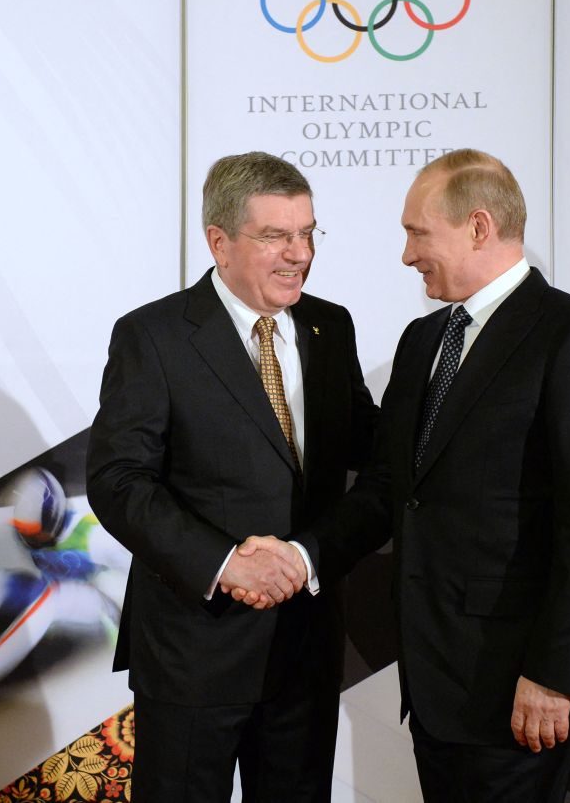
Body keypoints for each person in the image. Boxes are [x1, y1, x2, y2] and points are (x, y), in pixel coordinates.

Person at [236, 149, 570, 802]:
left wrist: (554, 674)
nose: (407, 255)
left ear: (479, 227)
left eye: (418, 233)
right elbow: (385, 491)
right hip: (436, 682)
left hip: (519, 684)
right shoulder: (423, 341)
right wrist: (300, 555)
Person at [85, 152, 377, 802]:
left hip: (305, 652)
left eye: (307, 233)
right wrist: (225, 563)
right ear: (219, 241)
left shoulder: (333, 327)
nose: (298, 253)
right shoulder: (153, 336)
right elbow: (118, 479)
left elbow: (374, 455)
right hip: (195, 654)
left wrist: (306, 557)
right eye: (276, 235)